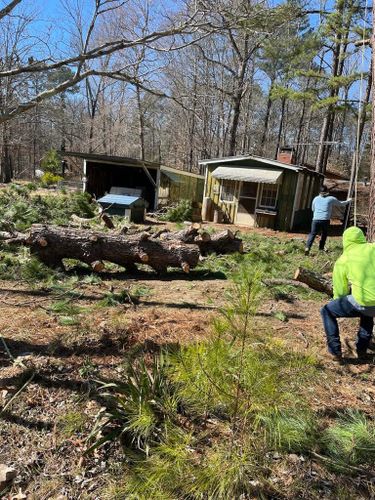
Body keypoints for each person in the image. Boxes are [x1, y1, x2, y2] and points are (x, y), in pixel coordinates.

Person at [320, 226, 375, 361]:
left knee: (327, 311)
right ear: (362, 238)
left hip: (364, 301)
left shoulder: (343, 260)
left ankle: (334, 351)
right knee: (368, 311)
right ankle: (361, 349)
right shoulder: (373, 248)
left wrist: (338, 301)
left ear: (345, 241)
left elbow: (340, 292)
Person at [305, 185, 351, 255]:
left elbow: (312, 209)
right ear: (327, 192)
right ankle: (321, 248)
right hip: (325, 220)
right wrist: (348, 201)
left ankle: (307, 247)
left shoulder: (315, 198)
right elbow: (341, 204)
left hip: (315, 219)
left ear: (319, 192)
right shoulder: (331, 199)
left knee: (313, 233)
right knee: (324, 234)